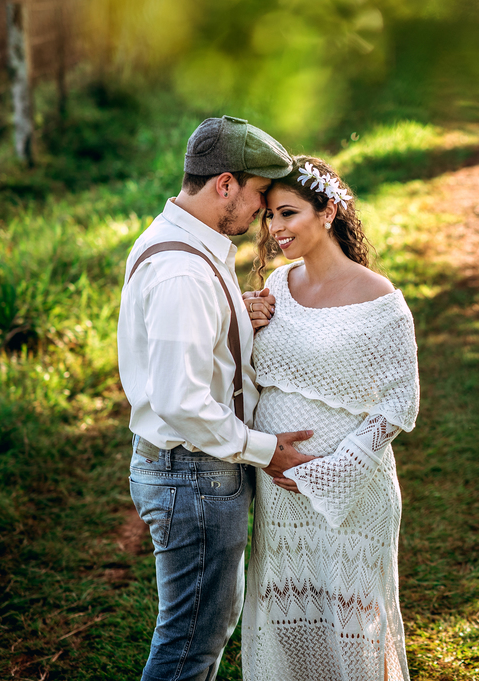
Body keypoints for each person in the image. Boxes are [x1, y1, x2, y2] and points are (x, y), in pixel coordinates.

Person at [118, 116, 318, 681]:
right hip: (194, 474)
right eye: (258, 194)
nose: (261, 210)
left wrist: (239, 318)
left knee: (199, 633)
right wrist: (263, 448)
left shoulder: (181, 240)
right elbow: (182, 400)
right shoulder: (184, 270)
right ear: (225, 184)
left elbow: (192, 351)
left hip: (189, 470)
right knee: (190, 647)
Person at [240, 155, 420, 681]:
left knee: (351, 627)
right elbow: (249, 373)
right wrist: (242, 321)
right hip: (279, 491)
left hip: (352, 493)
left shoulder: (381, 302)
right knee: (289, 620)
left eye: (288, 214)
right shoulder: (276, 288)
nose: (275, 230)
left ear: (329, 211)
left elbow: (398, 406)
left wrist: (331, 471)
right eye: (269, 217)